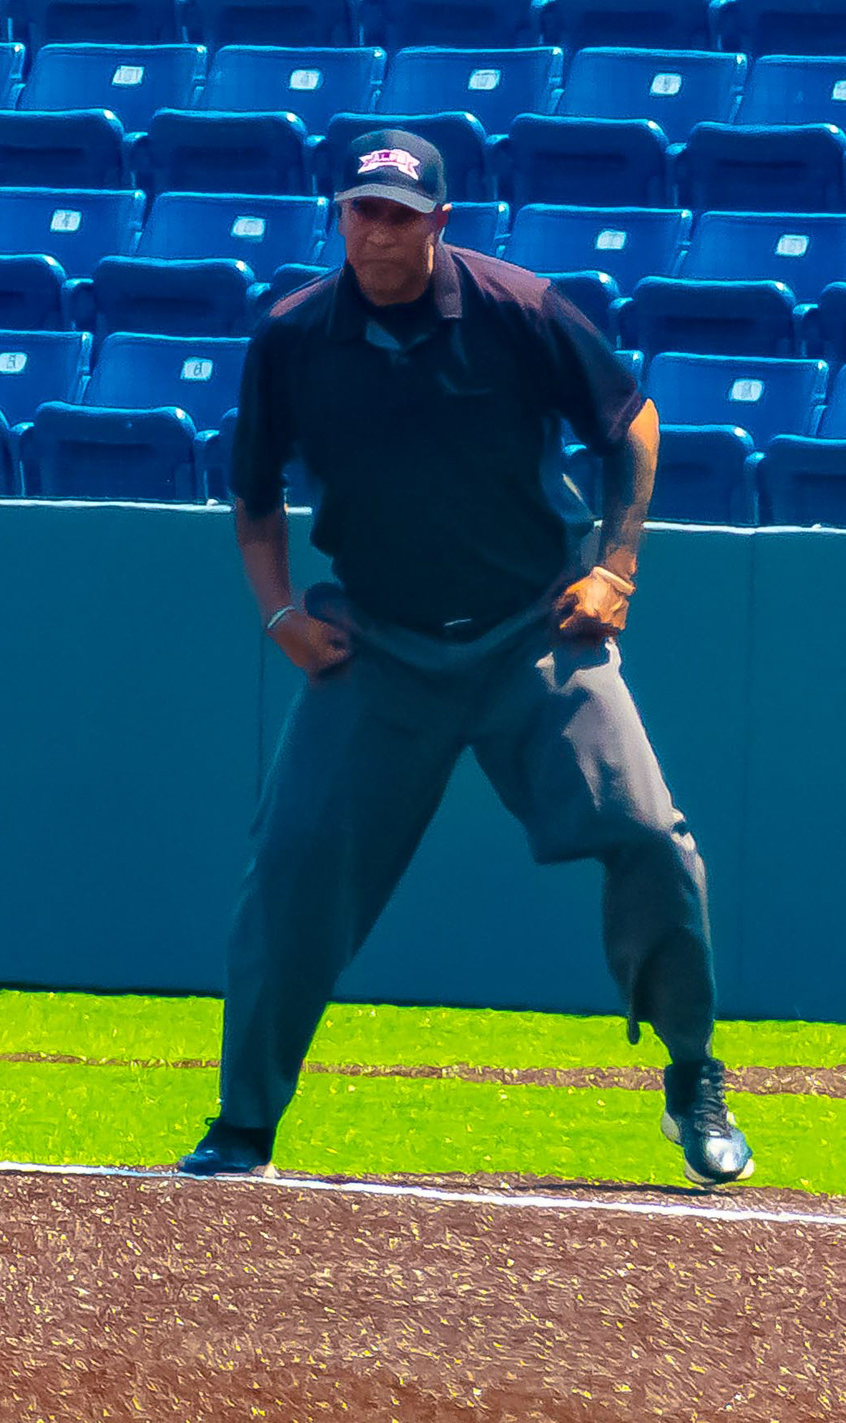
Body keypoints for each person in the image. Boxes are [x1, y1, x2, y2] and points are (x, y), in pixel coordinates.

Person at [179, 130, 753, 1188]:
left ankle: (690, 1073)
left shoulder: (520, 309)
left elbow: (632, 421)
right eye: (360, 209)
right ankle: (244, 1124)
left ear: (440, 222)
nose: (377, 229)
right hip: (377, 643)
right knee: (293, 864)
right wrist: (276, 615)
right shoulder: (293, 335)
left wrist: (616, 568)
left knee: (650, 835)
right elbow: (254, 496)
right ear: (338, 215)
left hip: (531, 634)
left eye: (399, 213)